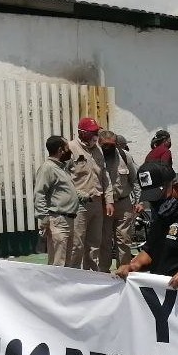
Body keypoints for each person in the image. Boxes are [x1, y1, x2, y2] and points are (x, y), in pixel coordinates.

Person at [67, 116, 115, 270]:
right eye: (93, 132)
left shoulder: (98, 151)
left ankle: (91, 276)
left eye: (96, 132)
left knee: (94, 244)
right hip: (78, 205)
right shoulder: (70, 148)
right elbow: (64, 178)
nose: (96, 135)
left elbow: (105, 177)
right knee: (77, 244)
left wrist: (109, 200)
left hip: (96, 204)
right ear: (82, 133)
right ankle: (73, 275)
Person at [32, 136, 81, 266]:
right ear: (60, 150)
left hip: (68, 219)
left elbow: (64, 191)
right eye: (67, 148)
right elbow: (39, 193)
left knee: (67, 260)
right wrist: (43, 217)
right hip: (58, 220)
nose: (69, 151)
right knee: (58, 261)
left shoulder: (60, 168)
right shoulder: (48, 168)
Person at [100, 130, 142, 269]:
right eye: (105, 145)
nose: (108, 148)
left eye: (111, 145)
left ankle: (123, 271)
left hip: (123, 204)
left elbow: (135, 180)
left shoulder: (125, 156)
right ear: (99, 143)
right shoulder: (96, 157)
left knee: (124, 240)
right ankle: (103, 274)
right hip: (103, 206)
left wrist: (139, 201)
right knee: (104, 242)